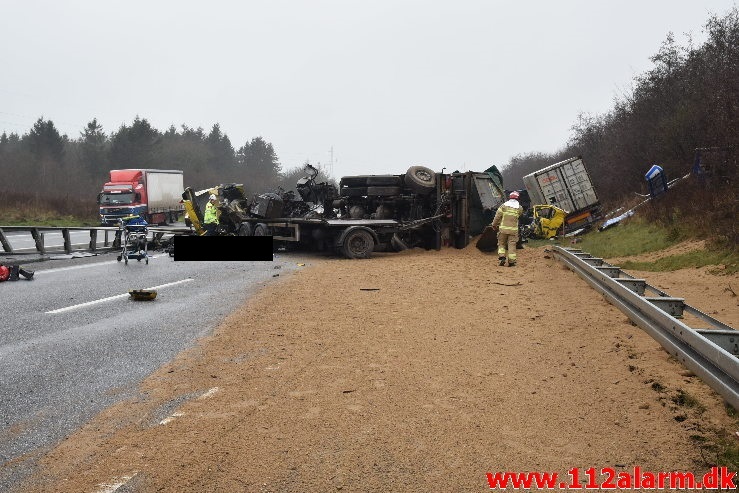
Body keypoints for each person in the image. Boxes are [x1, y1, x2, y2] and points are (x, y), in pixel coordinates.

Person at [491, 191, 523, 266]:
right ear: (518, 198)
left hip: (503, 230)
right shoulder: (519, 208)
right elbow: (519, 215)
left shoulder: (503, 206)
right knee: (512, 244)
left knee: (501, 243)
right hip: (513, 230)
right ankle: (511, 262)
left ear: (510, 197)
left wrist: (494, 225)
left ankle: (502, 257)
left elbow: (497, 216)